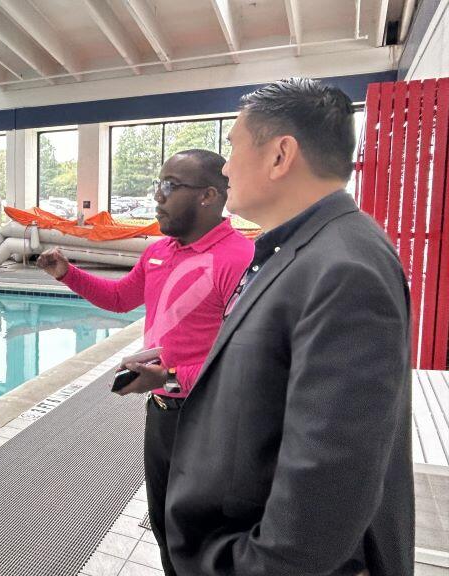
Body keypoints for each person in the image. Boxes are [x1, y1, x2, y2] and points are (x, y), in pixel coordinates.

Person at [164, 78, 413, 576]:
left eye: (233, 147)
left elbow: (333, 472)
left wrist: (251, 564)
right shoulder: (303, 249)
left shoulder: (345, 267)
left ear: (281, 155)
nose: (227, 167)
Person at [36, 149, 254, 575]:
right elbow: (120, 299)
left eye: (169, 186)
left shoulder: (238, 260)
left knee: (201, 534)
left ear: (209, 195)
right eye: (159, 184)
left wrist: (170, 378)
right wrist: (67, 273)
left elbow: (239, 363)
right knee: (164, 524)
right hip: (162, 413)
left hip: (210, 419)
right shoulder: (159, 251)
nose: (157, 196)